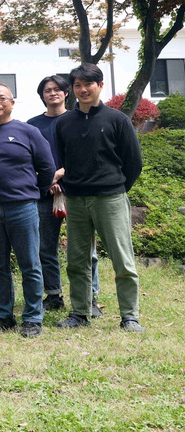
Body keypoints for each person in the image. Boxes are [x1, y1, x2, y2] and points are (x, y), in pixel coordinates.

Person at [54, 63, 144, 332]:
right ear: (72, 89)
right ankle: (79, 313)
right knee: (77, 261)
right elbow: (62, 158)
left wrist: (115, 187)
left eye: (88, 84)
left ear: (100, 85)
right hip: (77, 200)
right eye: (77, 85)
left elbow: (133, 163)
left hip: (111, 199)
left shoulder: (117, 120)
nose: (82, 90)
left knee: (122, 260)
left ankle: (130, 316)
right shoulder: (63, 122)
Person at [0, 82, 54, 337]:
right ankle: (3, 316)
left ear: (12, 103)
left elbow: (47, 168)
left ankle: (32, 318)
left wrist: (32, 193)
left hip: (23, 207)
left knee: (30, 264)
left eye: (2, 98)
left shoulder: (28, 132)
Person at [27, 75, 102, 316]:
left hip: (76, 192)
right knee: (44, 247)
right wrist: (47, 180)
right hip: (43, 193)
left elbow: (87, 156)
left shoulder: (77, 120)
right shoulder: (32, 125)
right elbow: (28, 160)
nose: (53, 93)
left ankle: (90, 296)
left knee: (85, 248)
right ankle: (53, 294)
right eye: (47, 90)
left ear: (66, 93)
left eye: (58, 89)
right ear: (42, 95)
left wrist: (61, 176)